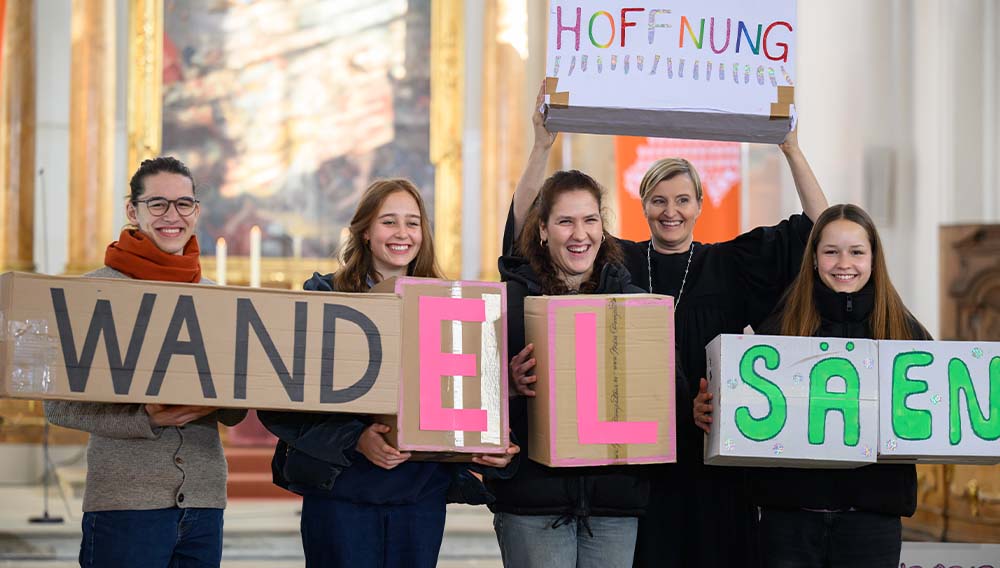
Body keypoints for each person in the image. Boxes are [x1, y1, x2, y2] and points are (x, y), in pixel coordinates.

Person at [506, 87, 829, 567]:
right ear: (642, 205)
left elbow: (821, 231)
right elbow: (528, 230)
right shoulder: (618, 263)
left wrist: (791, 148)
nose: (670, 211)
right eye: (658, 200)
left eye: (682, 199)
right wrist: (541, 146)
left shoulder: (731, 263)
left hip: (711, 451)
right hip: (637, 459)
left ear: (700, 203)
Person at [257, 178, 517, 568]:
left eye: (413, 223)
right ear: (364, 231)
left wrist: (485, 444)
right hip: (342, 493)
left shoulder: (454, 306)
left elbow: (465, 396)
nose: (402, 234)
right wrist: (357, 438)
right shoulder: (325, 298)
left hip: (419, 497)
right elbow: (281, 404)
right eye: (389, 222)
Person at [694, 203, 930, 568]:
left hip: (871, 523)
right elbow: (741, 402)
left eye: (856, 252)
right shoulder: (781, 325)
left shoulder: (906, 333)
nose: (843, 263)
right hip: (788, 522)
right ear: (814, 258)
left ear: (873, 258)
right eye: (831, 252)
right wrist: (711, 409)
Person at [44, 156, 246, 568]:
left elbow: (237, 403)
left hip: (205, 503)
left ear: (196, 211)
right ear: (132, 211)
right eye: (158, 204)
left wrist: (217, 403)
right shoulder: (92, 293)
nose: (173, 216)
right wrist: (147, 419)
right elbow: (58, 405)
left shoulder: (219, 298)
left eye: (184, 203)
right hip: (124, 503)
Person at [489, 169, 680, 568]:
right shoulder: (509, 303)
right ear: (542, 230)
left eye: (590, 220)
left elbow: (666, 395)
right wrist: (504, 384)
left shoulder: (634, 302)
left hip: (614, 506)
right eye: (565, 221)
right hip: (533, 506)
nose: (580, 234)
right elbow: (466, 397)